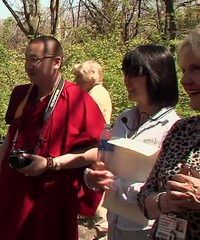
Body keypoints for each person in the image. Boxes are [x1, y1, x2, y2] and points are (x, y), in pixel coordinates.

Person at [0, 35, 106, 240]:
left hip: (52, 198)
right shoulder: (21, 95)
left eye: (35, 59)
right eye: (26, 60)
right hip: (13, 190)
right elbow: (8, 141)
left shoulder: (77, 99)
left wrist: (51, 163)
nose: (29, 66)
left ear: (57, 62)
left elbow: (97, 150)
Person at [85, 45, 180, 240]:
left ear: (158, 75)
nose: (127, 80)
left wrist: (117, 185)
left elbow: (167, 189)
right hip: (114, 224)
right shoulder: (123, 120)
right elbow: (105, 164)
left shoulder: (173, 128)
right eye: (125, 73)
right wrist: (93, 176)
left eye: (134, 73)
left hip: (147, 230)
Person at [137, 27, 200, 239]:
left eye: (196, 69)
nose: (185, 81)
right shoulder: (182, 130)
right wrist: (165, 201)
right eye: (183, 71)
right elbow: (145, 196)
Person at [73, 60, 112, 239]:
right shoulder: (97, 92)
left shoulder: (94, 95)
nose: (75, 81)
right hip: (99, 146)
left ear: (90, 77)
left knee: (96, 191)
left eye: (79, 77)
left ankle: (102, 230)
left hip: (95, 148)